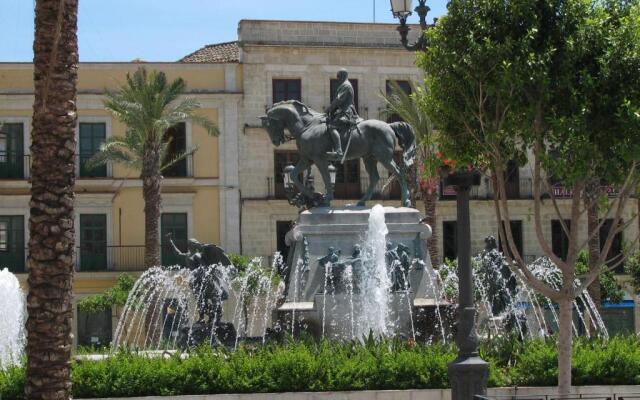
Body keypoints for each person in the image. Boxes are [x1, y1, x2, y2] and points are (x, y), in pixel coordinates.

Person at [325, 69, 359, 160]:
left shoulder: (346, 85)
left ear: (343, 75)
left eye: (339, 76)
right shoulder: (345, 85)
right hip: (343, 110)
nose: (338, 79)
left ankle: (339, 151)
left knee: (332, 127)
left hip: (345, 111)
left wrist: (329, 108)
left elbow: (339, 99)